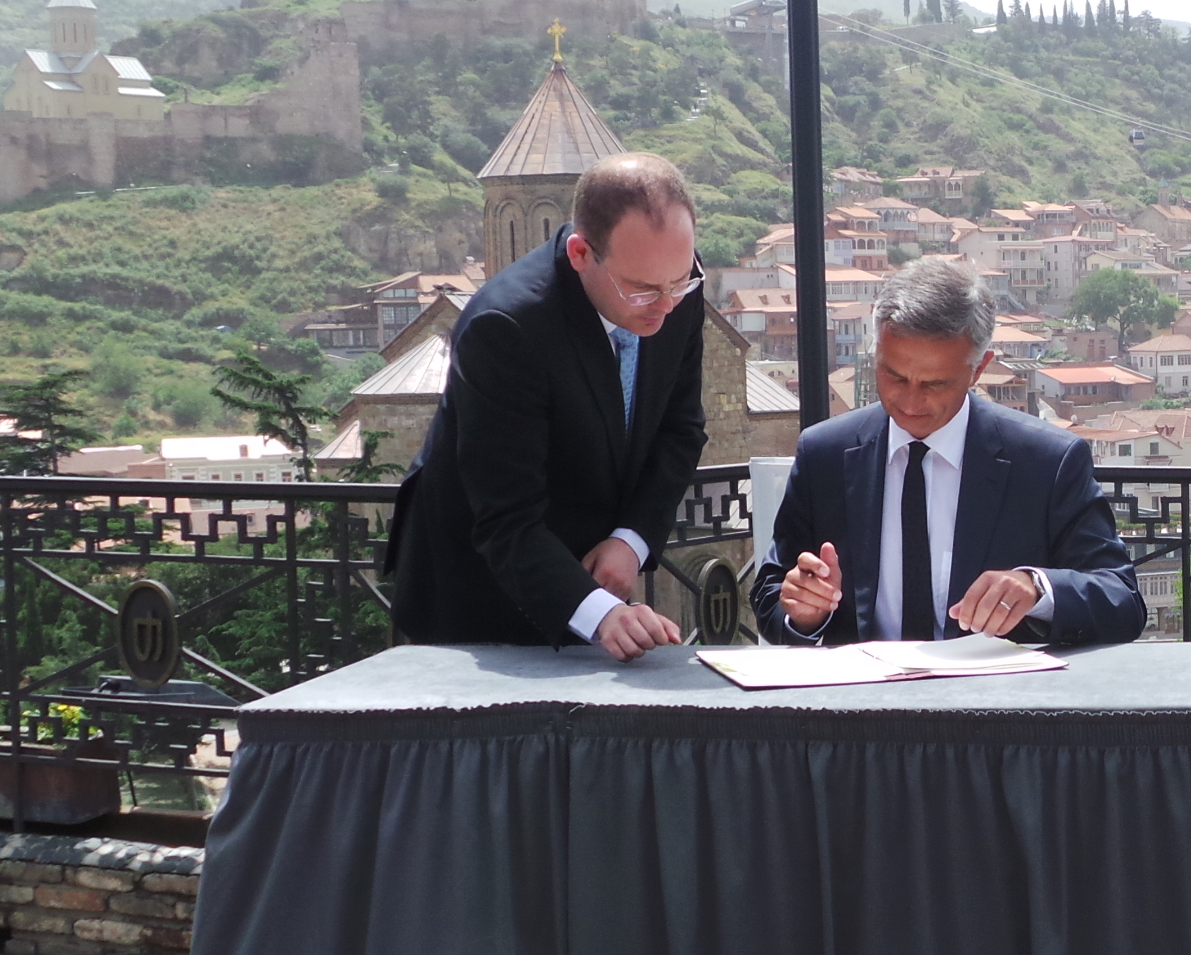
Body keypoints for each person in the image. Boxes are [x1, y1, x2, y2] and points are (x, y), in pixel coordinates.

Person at [386, 151, 704, 661]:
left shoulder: (670, 280)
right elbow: (506, 516)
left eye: (680, 281)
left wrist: (631, 540)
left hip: (601, 586)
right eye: (643, 290)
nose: (668, 305)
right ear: (581, 253)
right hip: (481, 599)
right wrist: (598, 611)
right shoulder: (506, 326)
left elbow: (680, 428)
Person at [751, 257, 1145, 647]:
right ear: (876, 355)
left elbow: (1122, 600)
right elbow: (772, 594)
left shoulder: (1047, 462)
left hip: (993, 703)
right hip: (864, 705)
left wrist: (1037, 589)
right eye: (894, 375)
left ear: (979, 369)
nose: (909, 400)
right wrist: (803, 614)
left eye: (935, 384)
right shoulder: (825, 454)